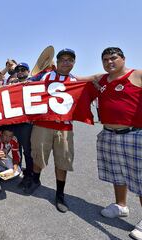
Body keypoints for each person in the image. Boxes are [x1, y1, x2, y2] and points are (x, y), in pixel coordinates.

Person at [89, 47, 142, 240]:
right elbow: (76, 80)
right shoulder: (101, 78)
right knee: (117, 173)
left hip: (134, 134)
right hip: (108, 134)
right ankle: (121, 206)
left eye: (113, 58)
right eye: (105, 59)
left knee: (140, 177)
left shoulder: (137, 75)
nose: (109, 62)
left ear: (123, 58)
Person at [23, 48, 77, 213]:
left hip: (64, 128)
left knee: (63, 161)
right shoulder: (45, 76)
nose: (66, 62)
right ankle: (35, 180)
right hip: (42, 125)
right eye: (63, 59)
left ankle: (59, 194)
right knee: (38, 156)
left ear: (74, 63)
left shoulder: (77, 81)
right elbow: (28, 83)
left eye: (70, 60)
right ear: (57, 62)